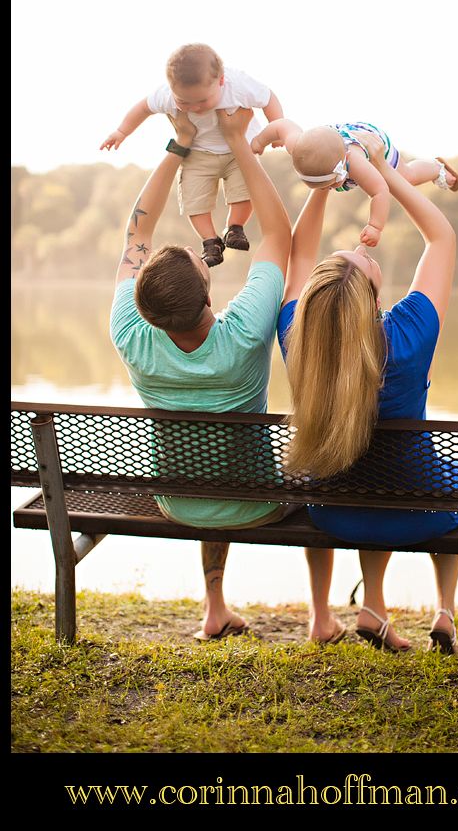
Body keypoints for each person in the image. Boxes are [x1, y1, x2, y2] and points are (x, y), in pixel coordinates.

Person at [276, 130, 458, 653]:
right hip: (416, 504)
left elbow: (298, 256)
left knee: (363, 468)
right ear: (371, 296)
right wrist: (380, 169)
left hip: (336, 509)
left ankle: (373, 606)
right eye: (364, 263)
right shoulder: (407, 337)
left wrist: (321, 186)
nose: (364, 254)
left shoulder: (299, 336)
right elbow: (442, 238)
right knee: (445, 478)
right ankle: (445, 612)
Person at [110, 107, 291, 641]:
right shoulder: (242, 335)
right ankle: (318, 616)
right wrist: (237, 143)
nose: (197, 248)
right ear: (209, 293)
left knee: (203, 462)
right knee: (250, 468)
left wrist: (178, 145)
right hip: (256, 502)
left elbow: (135, 231)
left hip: (179, 499)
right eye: (195, 256)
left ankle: (214, 606)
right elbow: (279, 234)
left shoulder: (130, 334)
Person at [101, 43, 284, 267]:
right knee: (193, 199)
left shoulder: (238, 85)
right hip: (198, 153)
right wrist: (122, 131)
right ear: (172, 89)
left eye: (203, 101)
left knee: (245, 191)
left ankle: (235, 227)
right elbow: (143, 108)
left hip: (239, 150)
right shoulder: (166, 95)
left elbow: (268, 99)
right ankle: (210, 241)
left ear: (221, 81)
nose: (195, 108)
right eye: (184, 102)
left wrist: (276, 129)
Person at [252, 117, 458, 247]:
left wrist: (375, 226)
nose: (327, 190)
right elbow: (281, 126)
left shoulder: (356, 163)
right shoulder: (296, 145)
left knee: (405, 178)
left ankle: (435, 168)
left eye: (330, 185)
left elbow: (380, 190)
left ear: (342, 168)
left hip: (371, 142)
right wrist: (261, 141)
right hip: (328, 143)